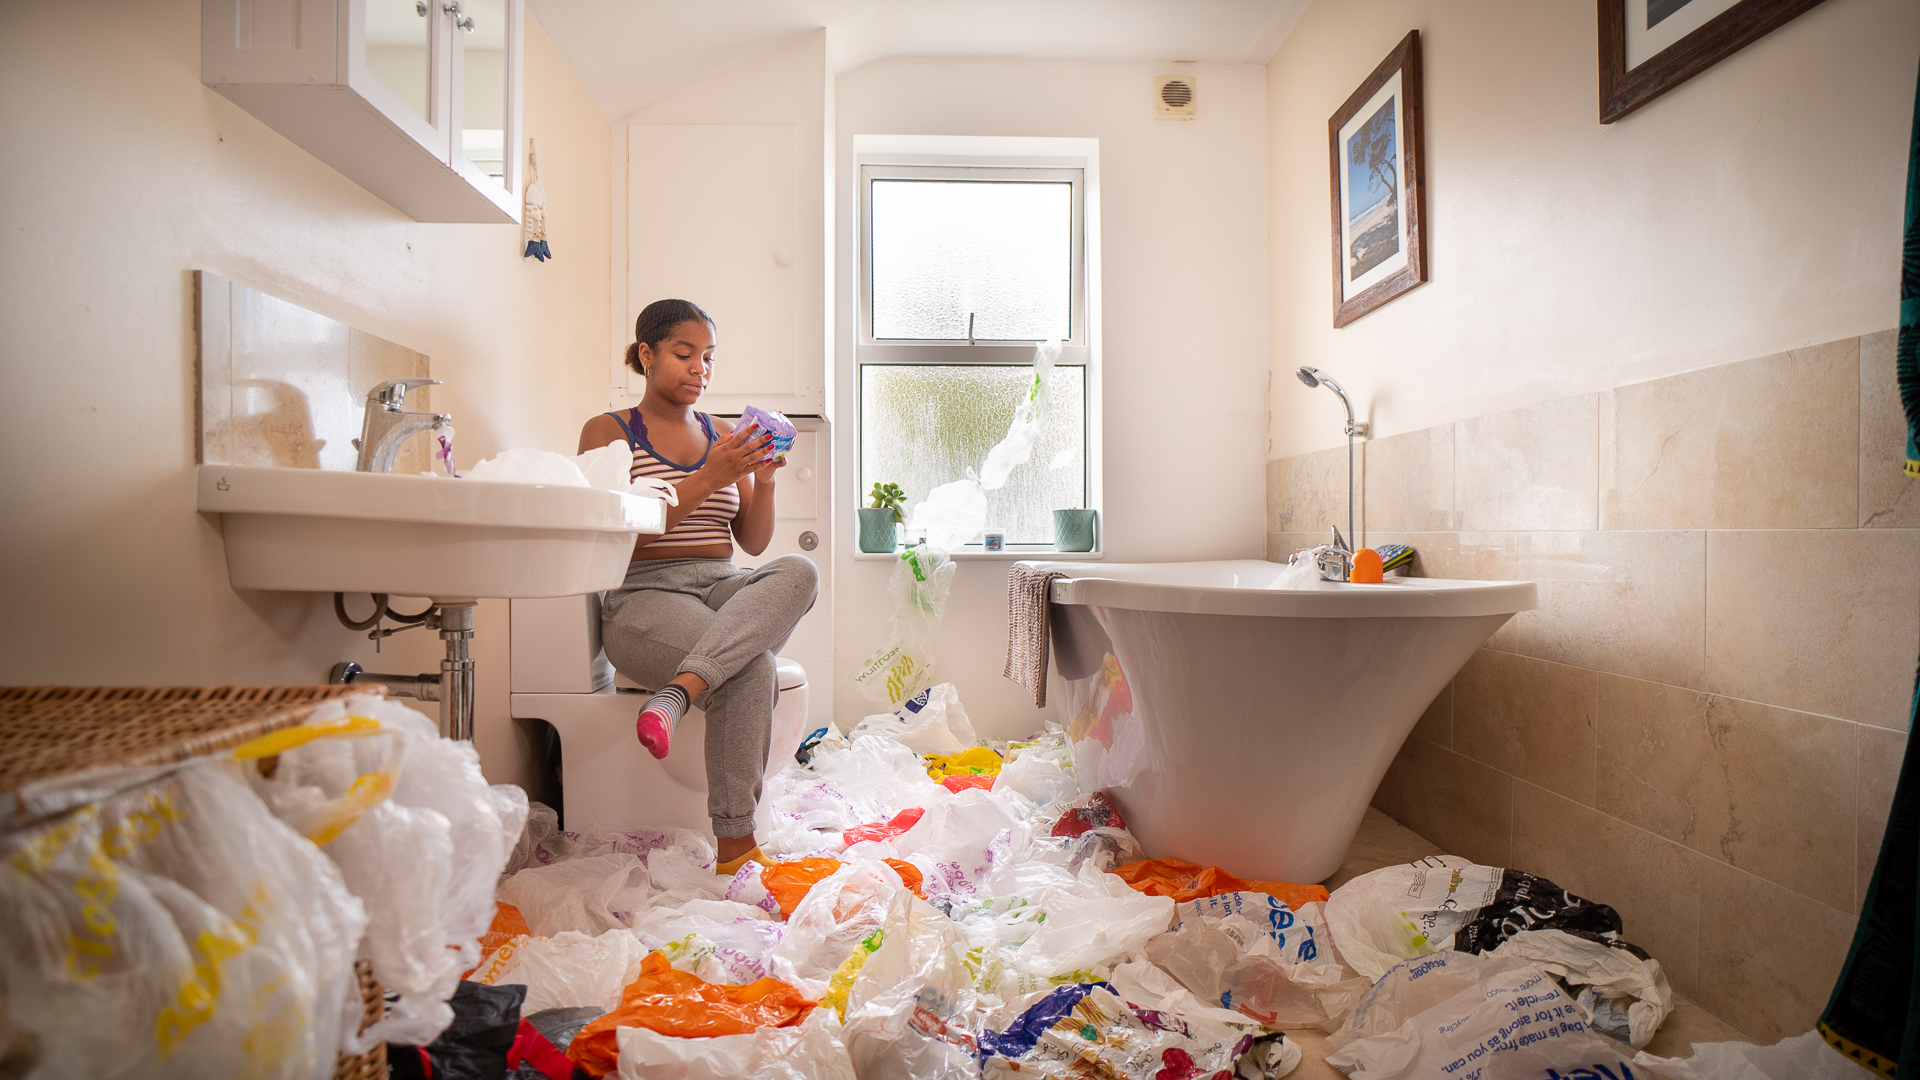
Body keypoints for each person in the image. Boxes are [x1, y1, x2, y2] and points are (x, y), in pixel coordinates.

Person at [580, 299, 818, 876]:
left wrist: (761, 484)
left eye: (708, 357)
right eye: (684, 354)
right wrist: (710, 475)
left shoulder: (722, 432)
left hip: (721, 584)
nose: (700, 369)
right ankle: (736, 844)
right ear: (647, 354)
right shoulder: (608, 432)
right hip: (643, 594)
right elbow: (605, 540)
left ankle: (680, 692)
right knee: (753, 666)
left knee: (799, 572)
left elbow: (753, 545)